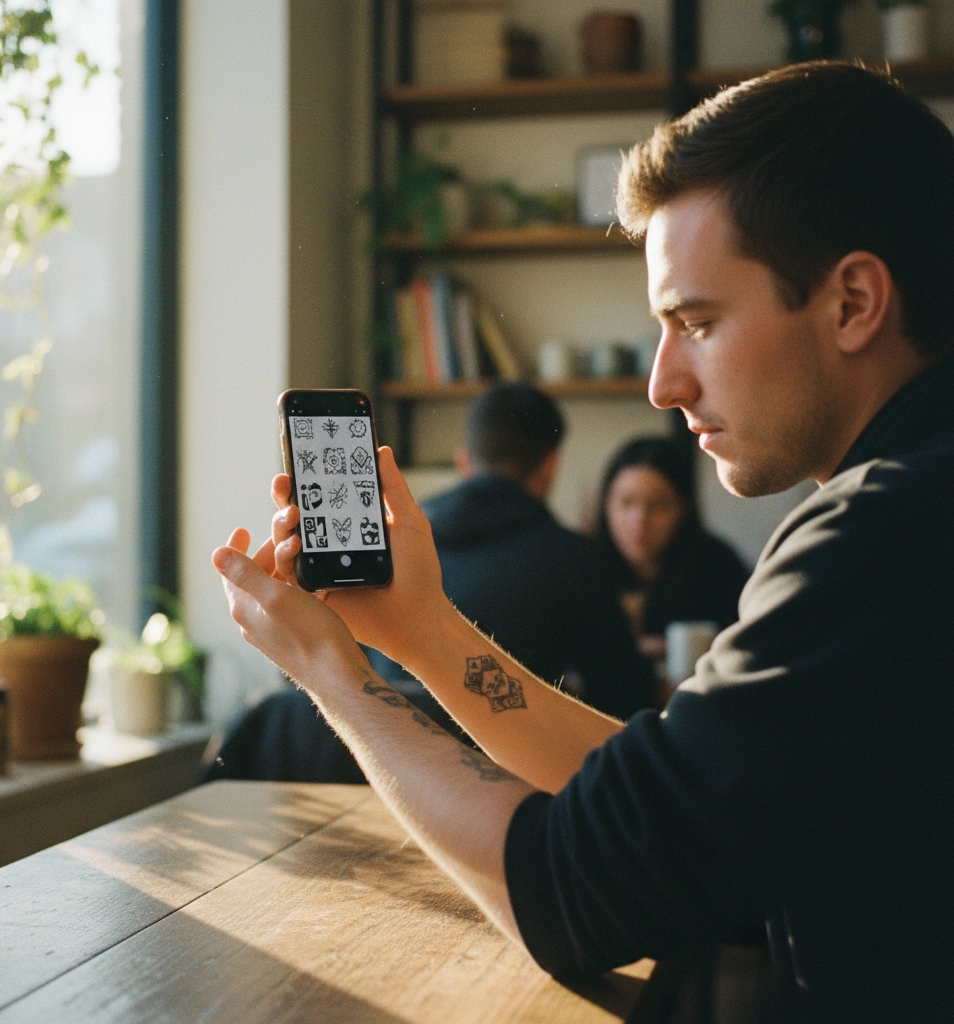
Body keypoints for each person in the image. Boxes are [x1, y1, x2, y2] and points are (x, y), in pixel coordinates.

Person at [213, 62, 953, 1022]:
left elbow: (570, 894)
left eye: (698, 322)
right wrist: (419, 631)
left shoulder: (880, 532)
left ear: (853, 301)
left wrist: (334, 676)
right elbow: (651, 805)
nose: (663, 384)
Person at [369, 382, 657, 720]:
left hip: (387, 745)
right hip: (504, 752)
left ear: (464, 461)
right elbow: (627, 696)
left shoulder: (394, 539)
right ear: (550, 464)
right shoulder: (571, 557)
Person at [594, 435, 749, 654]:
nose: (639, 521)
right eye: (626, 503)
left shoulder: (717, 565)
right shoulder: (585, 563)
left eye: (657, 505)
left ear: (683, 508)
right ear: (606, 505)